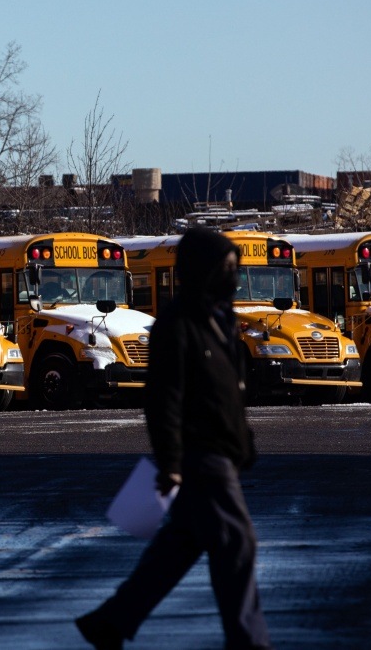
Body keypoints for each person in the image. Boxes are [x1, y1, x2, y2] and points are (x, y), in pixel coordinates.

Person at [75, 227, 270, 650]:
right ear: (202, 270)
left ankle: (110, 622)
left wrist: (243, 440)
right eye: (226, 267)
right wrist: (173, 463)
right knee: (237, 542)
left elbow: (229, 390)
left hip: (222, 451)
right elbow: (164, 399)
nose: (233, 276)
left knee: (179, 546)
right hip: (200, 455)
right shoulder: (177, 325)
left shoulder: (222, 321)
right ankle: (249, 642)